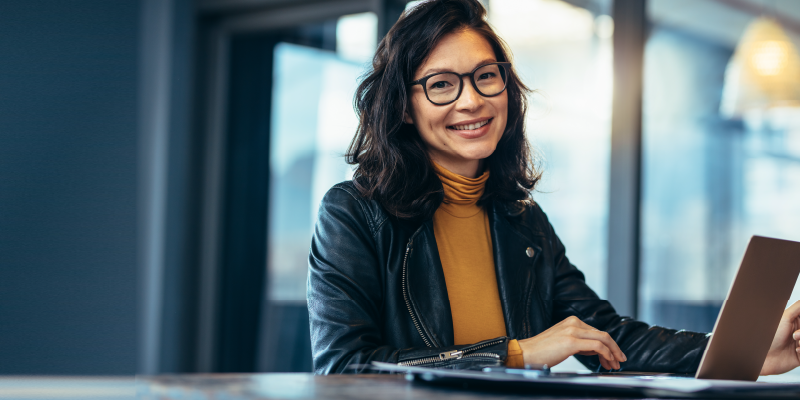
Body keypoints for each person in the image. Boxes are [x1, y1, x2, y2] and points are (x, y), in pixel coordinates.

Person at [307, 0, 800, 375]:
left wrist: (747, 349)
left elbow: (609, 338)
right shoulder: (353, 213)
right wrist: (516, 352)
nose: (472, 101)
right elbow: (345, 367)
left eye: (485, 77)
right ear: (402, 105)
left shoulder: (521, 219)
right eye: (441, 84)